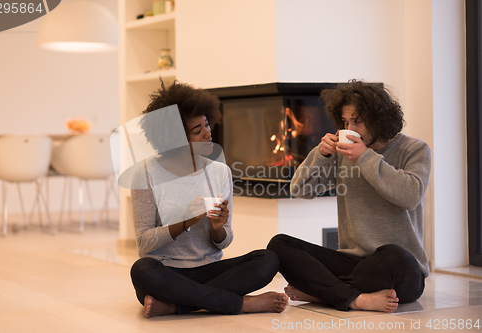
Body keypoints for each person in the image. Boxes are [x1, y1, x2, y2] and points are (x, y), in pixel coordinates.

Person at [267, 80, 431, 313]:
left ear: (379, 119)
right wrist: (320, 154)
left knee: (395, 255)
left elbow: (410, 195)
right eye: (345, 122)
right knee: (279, 244)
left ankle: (323, 294)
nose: (350, 128)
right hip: (353, 263)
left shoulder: (415, 149)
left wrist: (365, 156)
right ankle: (355, 298)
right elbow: (299, 189)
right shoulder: (343, 154)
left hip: (399, 271)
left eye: (357, 121)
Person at [129, 80, 288, 318]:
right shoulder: (145, 174)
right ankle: (241, 304)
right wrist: (184, 221)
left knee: (268, 259)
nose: (208, 132)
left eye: (206, 124)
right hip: (166, 272)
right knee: (141, 270)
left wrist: (217, 230)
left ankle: (179, 306)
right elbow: (144, 243)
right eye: (197, 131)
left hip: (210, 270)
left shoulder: (219, 172)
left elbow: (224, 241)